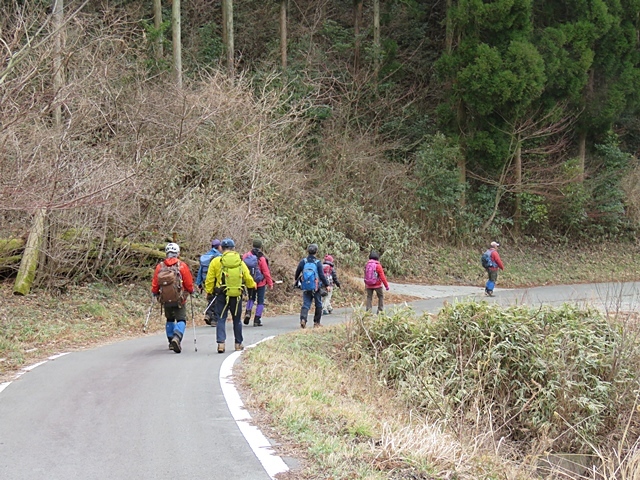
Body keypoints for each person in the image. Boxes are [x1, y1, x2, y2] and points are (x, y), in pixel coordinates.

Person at [204, 238, 256, 353]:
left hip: (221, 294)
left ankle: (221, 344)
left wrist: (209, 291)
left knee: (221, 318)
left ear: (221, 248)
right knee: (236, 319)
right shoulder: (240, 261)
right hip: (236, 294)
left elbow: (209, 279)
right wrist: (253, 285)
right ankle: (238, 343)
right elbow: (247, 277)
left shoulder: (216, 261)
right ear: (233, 249)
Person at [151, 242, 195, 354]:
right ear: (178, 253)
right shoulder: (182, 266)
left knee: (170, 319)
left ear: (166, 253)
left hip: (165, 299)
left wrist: (155, 292)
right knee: (181, 319)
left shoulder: (160, 266)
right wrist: (190, 290)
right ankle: (177, 337)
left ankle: (171, 341)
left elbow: (155, 283)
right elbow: (188, 282)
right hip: (180, 299)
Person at [294, 243, 329, 328]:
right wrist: (326, 284)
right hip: (316, 287)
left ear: (308, 251)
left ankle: (303, 319)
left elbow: (297, 273)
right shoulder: (317, 263)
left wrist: (297, 280)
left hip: (306, 286)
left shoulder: (303, 261)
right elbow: (321, 275)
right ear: (316, 251)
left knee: (306, 304)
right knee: (318, 304)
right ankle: (316, 323)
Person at [242, 239, 274, 327]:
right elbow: (266, 272)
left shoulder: (246, 256)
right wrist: (270, 283)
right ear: (260, 247)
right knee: (260, 301)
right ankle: (257, 319)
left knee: (251, 298)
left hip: (250, 282)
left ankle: (248, 312)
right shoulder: (262, 258)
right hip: (261, 283)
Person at [196, 239, 222, 326]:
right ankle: (214, 319)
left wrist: (199, 283)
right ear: (219, 247)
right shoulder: (219, 257)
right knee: (217, 300)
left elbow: (200, 270)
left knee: (210, 298)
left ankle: (208, 314)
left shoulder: (205, 257)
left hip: (205, 280)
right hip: (216, 281)